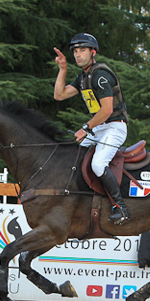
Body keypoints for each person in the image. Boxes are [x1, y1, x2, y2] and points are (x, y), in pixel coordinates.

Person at [53, 32, 131, 225]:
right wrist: (62, 69)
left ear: (93, 52)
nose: (78, 55)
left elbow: (107, 110)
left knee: (97, 164)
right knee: (74, 151)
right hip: (101, 127)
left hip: (114, 127)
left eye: (82, 51)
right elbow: (59, 95)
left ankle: (120, 207)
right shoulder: (83, 76)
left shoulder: (100, 75)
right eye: (75, 52)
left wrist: (86, 128)